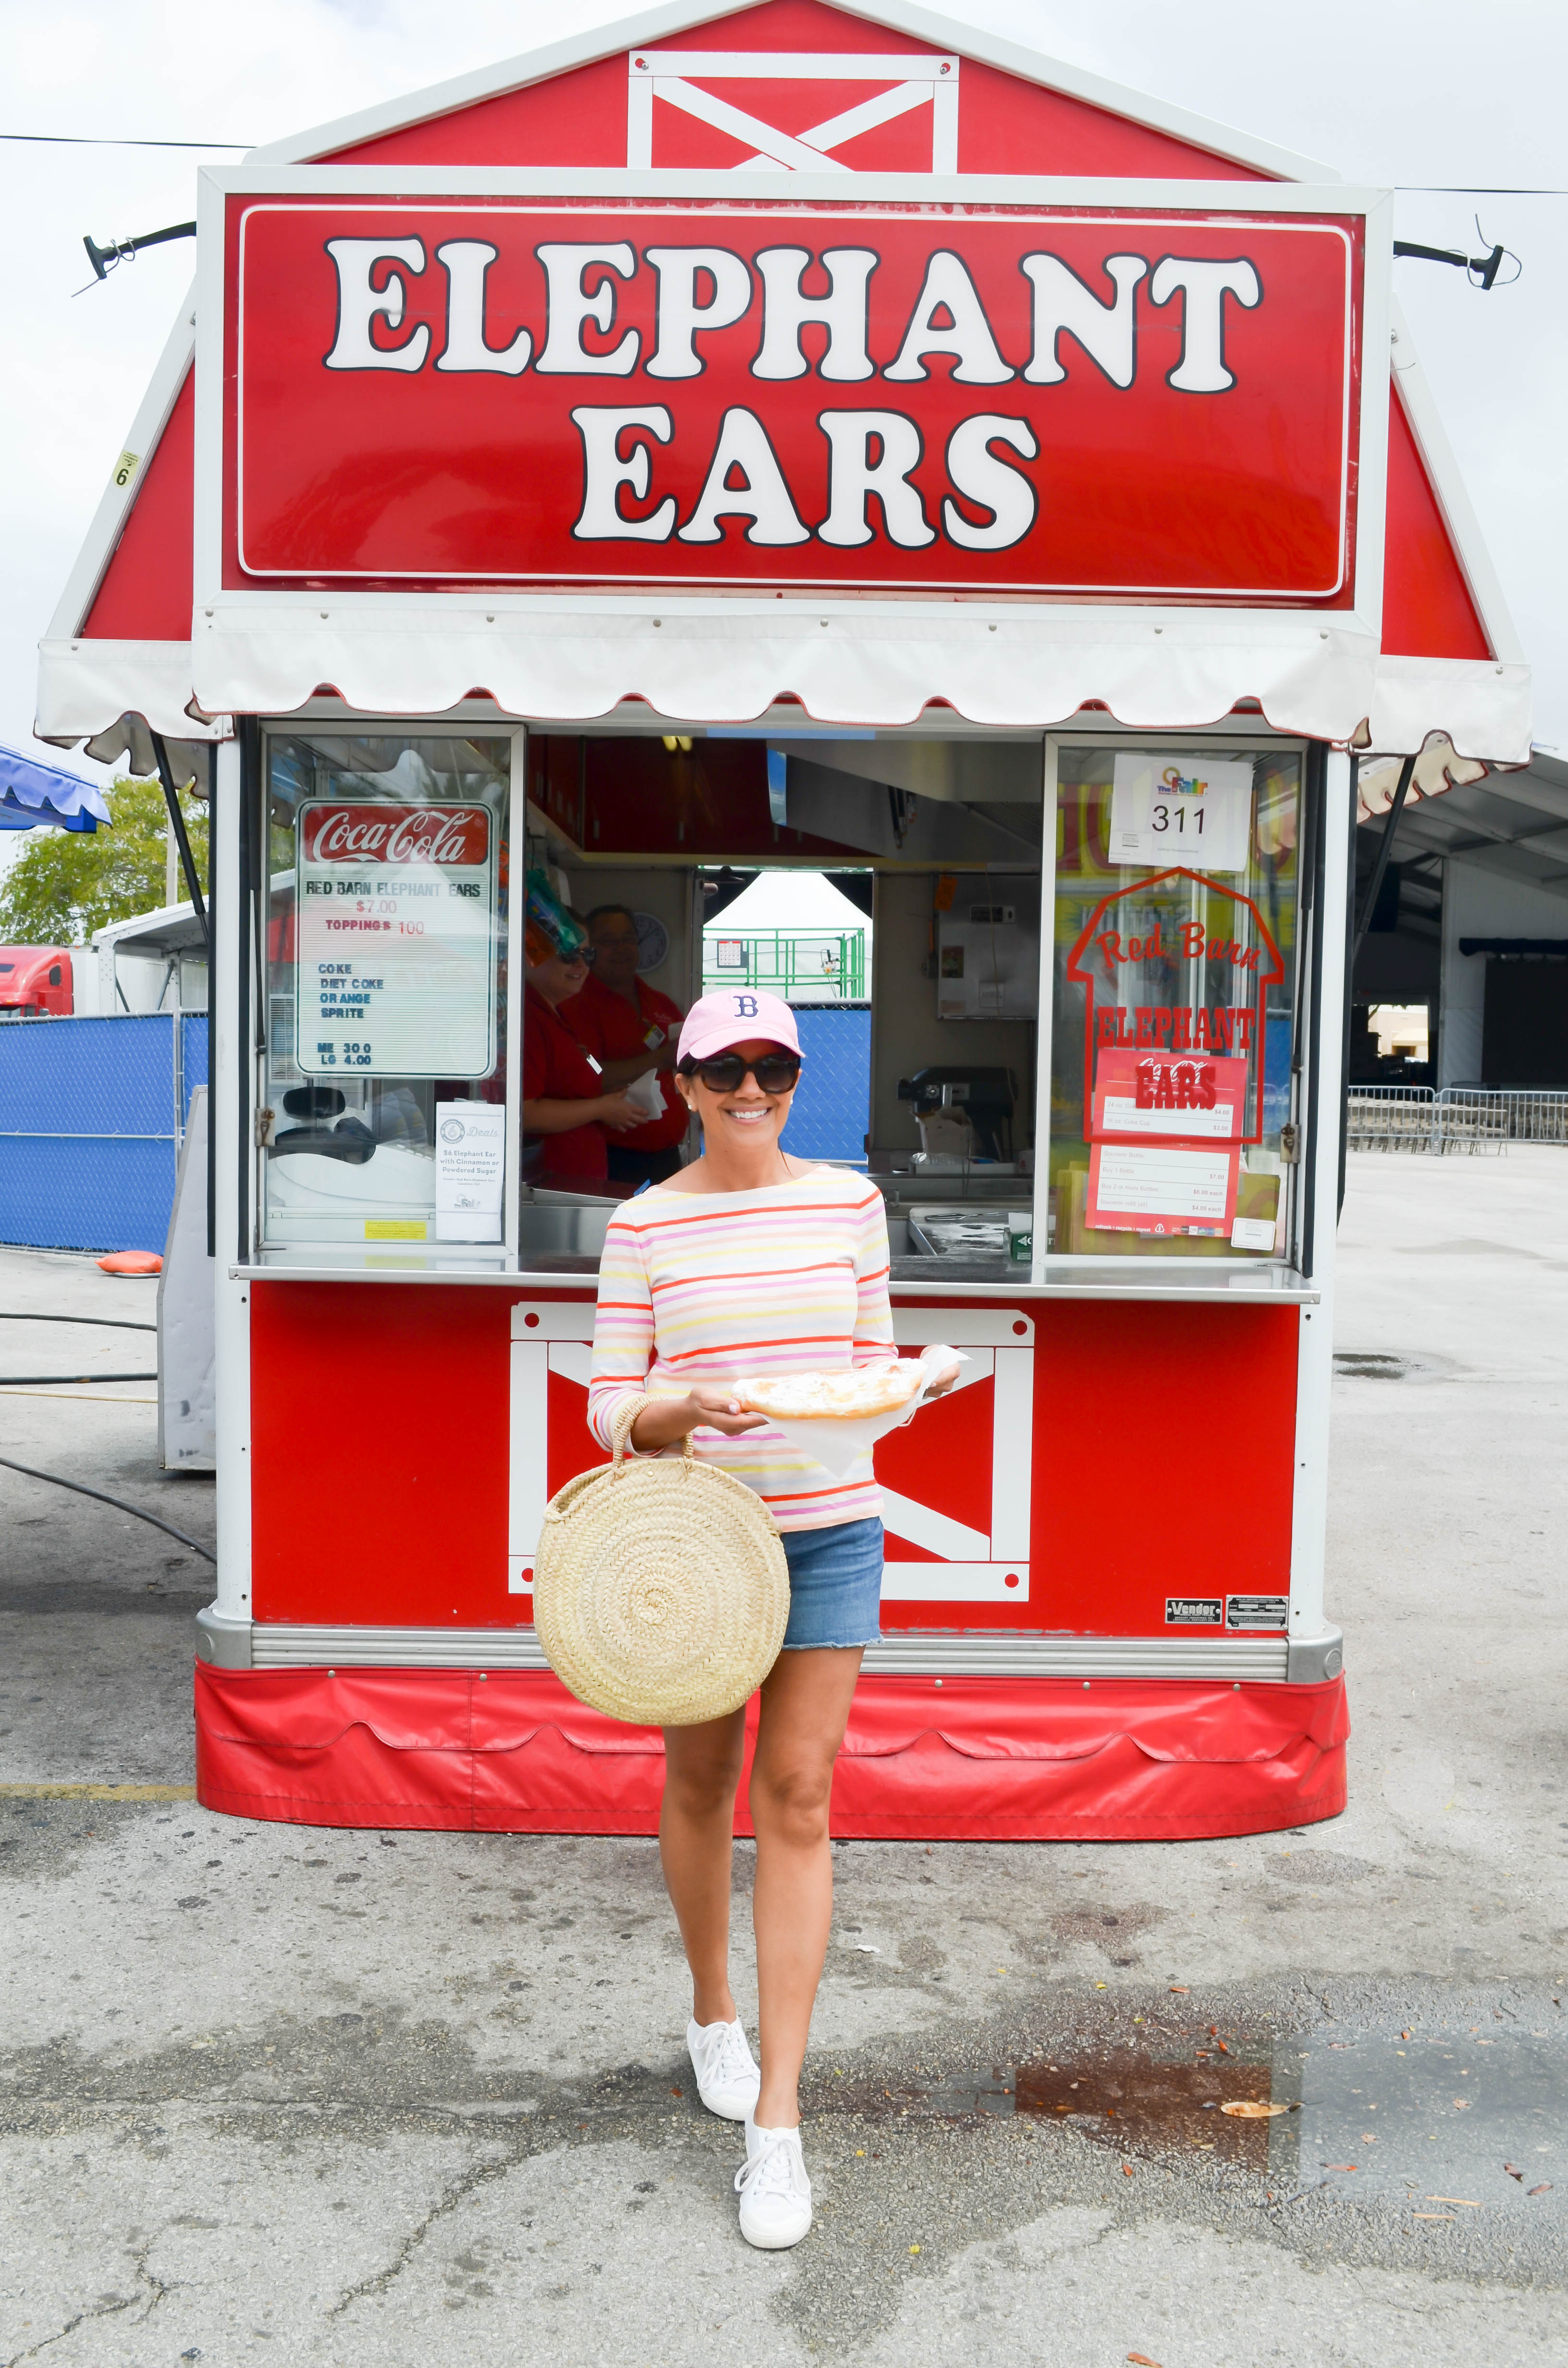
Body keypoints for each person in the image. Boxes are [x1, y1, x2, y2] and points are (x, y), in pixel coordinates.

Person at [587, 988, 955, 2253]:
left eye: (775, 1067)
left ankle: (779, 2126)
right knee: (702, 1782)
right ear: (683, 1083)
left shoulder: (850, 1204)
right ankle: (711, 2012)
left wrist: (909, 1389)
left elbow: (870, 1365)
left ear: (798, 1079)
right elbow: (606, 1406)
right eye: (726, 1068)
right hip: (695, 1544)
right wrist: (688, 1413)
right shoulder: (642, 1227)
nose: (753, 1088)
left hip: (835, 1529)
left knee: (798, 1794)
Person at [561, 903, 688, 1187]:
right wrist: (661, 1058)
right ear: (588, 950)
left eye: (629, 939)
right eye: (608, 942)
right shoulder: (575, 1005)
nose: (622, 948)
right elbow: (589, 1077)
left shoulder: (661, 1002)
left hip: (668, 1156)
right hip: (615, 1157)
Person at [521, 925, 644, 1191]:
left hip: (576, 1182)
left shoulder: (556, 1014)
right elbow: (524, 1112)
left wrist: (608, 1098)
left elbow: (566, 1089)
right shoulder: (528, 1018)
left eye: (587, 955)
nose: (580, 964)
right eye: (568, 953)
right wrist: (601, 1108)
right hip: (549, 1187)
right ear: (534, 954)